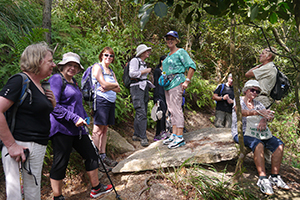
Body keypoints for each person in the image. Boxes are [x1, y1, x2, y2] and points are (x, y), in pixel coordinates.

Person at [49, 52, 112, 200]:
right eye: (70, 65)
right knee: (60, 161)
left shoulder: (74, 82)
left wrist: (84, 117)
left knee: (91, 155)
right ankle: (57, 196)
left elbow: (77, 104)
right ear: (63, 66)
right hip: (61, 128)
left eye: (75, 66)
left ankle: (96, 188)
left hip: (77, 129)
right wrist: (73, 117)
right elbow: (53, 105)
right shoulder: (56, 79)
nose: (72, 68)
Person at [0, 42, 56, 200]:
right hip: (19, 147)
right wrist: (11, 145)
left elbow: (34, 114)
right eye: (50, 61)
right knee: (16, 196)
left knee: (33, 194)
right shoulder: (20, 81)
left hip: (37, 146)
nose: (54, 64)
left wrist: (52, 104)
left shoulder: (41, 85)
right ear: (37, 61)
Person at [231, 80, 290, 196]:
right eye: (252, 90)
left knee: (279, 144)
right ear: (246, 90)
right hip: (242, 133)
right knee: (258, 144)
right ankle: (262, 178)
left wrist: (264, 119)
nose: (255, 93)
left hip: (259, 133)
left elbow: (269, 115)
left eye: (257, 91)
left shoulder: (258, 103)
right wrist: (258, 112)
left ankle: (275, 176)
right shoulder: (238, 101)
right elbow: (240, 112)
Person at [161, 30, 196, 149]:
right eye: (168, 38)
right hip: (167, 84)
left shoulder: (180, 52)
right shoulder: (168, 55)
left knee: (176, 108)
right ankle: (174, 134)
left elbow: (191, 65)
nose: (170, 40)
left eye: (172, 38)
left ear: (176, 40)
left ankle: (180, 137)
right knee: (171, 109)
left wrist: (187, 80)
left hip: (177, 82)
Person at [91, 47, 120, 169]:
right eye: (106, 55)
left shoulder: (111, 71)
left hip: (110, 102)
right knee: (97, 130)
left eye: (111, 56)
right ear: (101, 56)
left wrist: (110, 86)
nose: (109, 57)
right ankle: (95, 157)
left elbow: (118, 89)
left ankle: (103, 155)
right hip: (101, 101)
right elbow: (103, 83)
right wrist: (112, 85)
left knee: (105, 129)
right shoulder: (98, 67)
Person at [129, 44, 154, 147]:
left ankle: (136, 134)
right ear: (142, 52)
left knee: (140, 112)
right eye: (146, 51)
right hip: (136, 88)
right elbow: (132, 74)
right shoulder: (135, 61)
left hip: (143, 87)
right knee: (141, 112)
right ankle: (143, 137)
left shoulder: (142, 62)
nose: (148, 52)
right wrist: (145, 71)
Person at [153, 55, 169, 141]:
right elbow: (156, 84)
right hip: (158, 94)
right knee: (160, 113)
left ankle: (157, 134)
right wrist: (155, 97)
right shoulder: (157, 71)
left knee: (163, 113)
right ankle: (162, 131)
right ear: (161, 61)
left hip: (165, 94)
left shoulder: (166, 72)